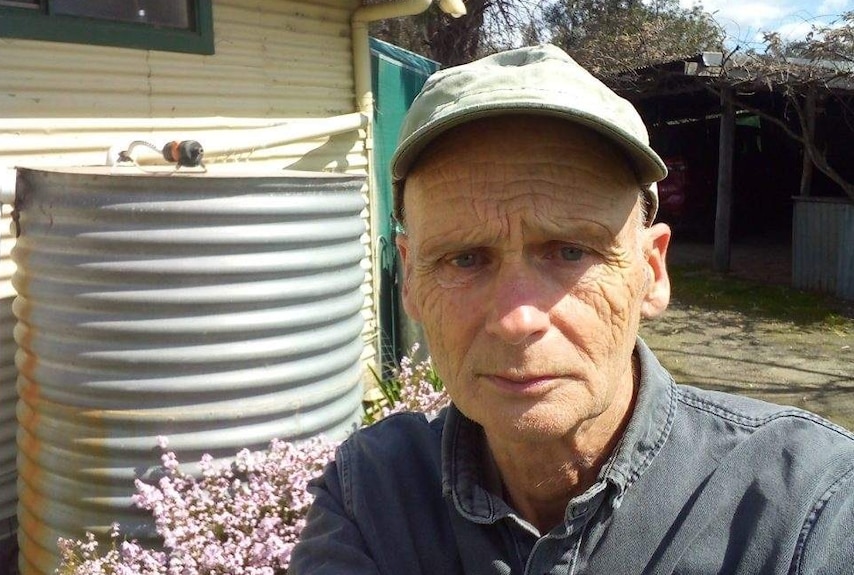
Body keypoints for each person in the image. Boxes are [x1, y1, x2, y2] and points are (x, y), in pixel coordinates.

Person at [289, 45, 854, 574]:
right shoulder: (368, 494)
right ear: (410, 279)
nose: (517, 319)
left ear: (650, 272)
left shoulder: (806, 506)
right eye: (464, 259)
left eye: (570, 252)